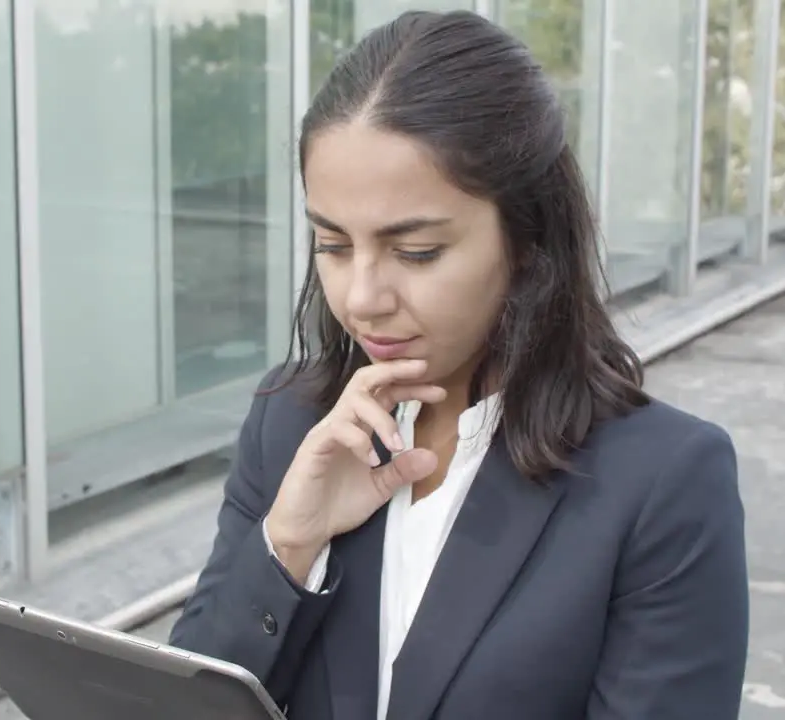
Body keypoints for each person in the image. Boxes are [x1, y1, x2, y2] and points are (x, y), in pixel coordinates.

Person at [168, 9, 748, 720]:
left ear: (529, 239)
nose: (362, 298)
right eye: (333, 245)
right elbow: (177, 704)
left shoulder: (661, 482)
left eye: (416, 253)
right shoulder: (289, 422)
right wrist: (288, 542)